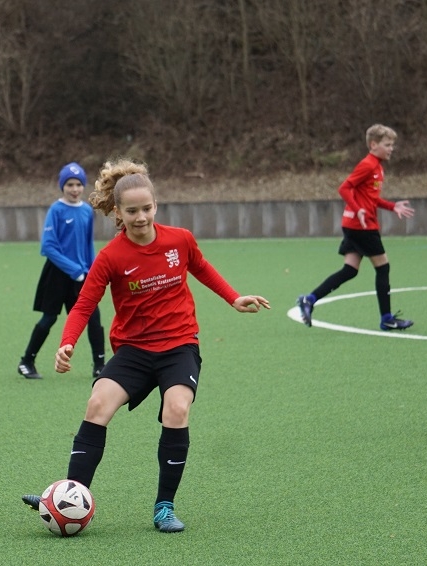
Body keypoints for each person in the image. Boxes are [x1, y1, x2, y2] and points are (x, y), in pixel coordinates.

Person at [20, 159, 270, 532]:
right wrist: (66, 343)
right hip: (134, 351)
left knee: (177, 409)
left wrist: (233, 298)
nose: (141, 217)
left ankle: (164, 507)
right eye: (132, 211)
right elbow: (84, 304)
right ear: (118, 213)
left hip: (179, 345)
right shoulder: (111, 257)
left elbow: (201, 267)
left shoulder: (179, 240)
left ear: (156, 206)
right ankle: (69, 499)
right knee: (97, 404)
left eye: (147, 208)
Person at [296, 124, 416, 330]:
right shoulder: (368, 165)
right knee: (383, 267)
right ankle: (387, 318)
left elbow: (371, 198)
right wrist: (357, 208)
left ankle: (309, 299)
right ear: (373, 145)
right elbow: (344, 188)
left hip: (355, 225)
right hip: (362, 226)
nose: (391, 149)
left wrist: (392, 206)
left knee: (350, 270)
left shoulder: (377, 167)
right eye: (387, 145)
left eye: (392, 145)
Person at [17, 162, 106, 379]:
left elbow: (88, 244)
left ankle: (100, 366)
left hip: (82, 276)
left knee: (93, 318)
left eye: (78, 184)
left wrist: (92, 270)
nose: (74, 189)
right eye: (70, 185)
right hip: (57, 275)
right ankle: (27, 362)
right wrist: (73, 269)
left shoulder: (86, 211)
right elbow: (48, 246)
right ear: (62, 186)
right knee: (49, 318)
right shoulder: (56, 210)